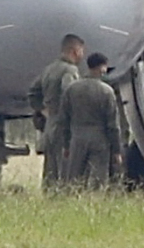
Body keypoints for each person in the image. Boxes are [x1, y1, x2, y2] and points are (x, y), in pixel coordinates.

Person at [28, 34, 85, 191]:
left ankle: (49, 199)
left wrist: (43, 109)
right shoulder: (70, 70)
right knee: (66, 167)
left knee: (50, 169)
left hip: (50, 125)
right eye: (81, 50)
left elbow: (32, 93)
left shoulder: (49, 69)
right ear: (74, 50)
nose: (82, 54)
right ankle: (65, 198)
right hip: (64, 126)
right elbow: (70, 93)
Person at [60, 53, 121, 190]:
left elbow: (64, 119)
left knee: (74, 179)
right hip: (100, 140)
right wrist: (116, 150)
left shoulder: (71, 89)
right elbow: (113, 125)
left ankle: (73, 204)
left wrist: (66, 144)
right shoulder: (107, 92)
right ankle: (95, 203)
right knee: (98, 179)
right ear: (101, 68)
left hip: (77, 138)